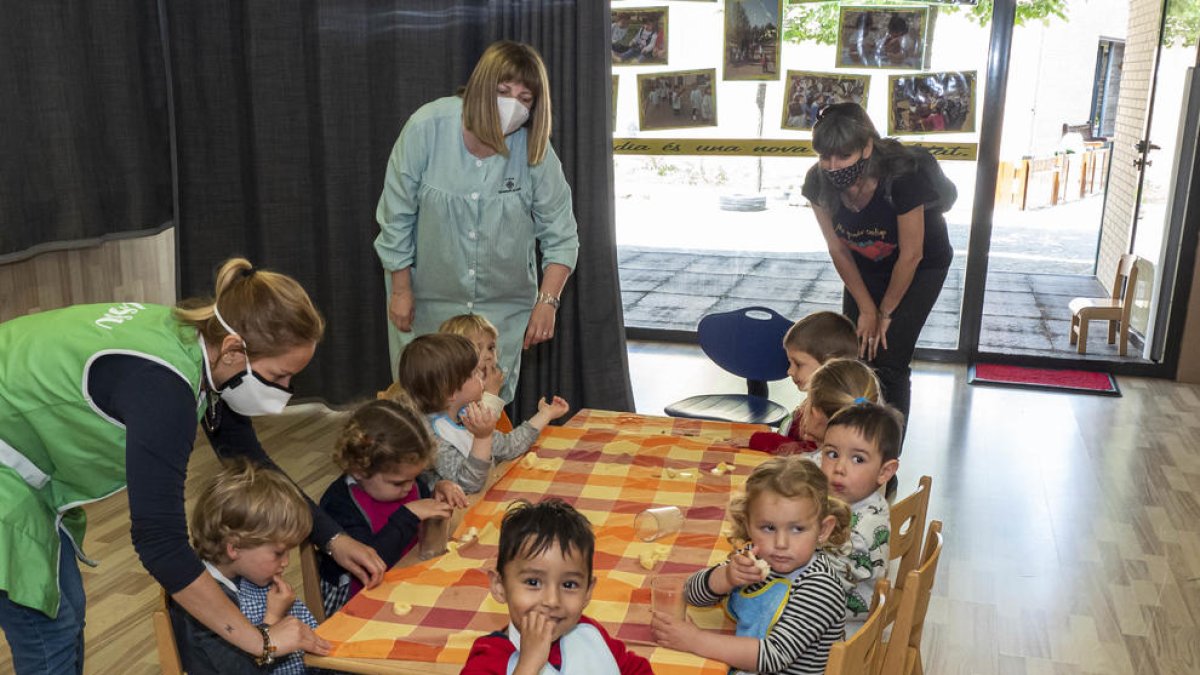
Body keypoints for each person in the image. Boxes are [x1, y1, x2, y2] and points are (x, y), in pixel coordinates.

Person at [0, 258, 385, 673]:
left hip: (18, 448)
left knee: (65, 610)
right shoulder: (165, 391)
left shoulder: (199, 343)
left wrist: (332, 536)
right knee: (48, 630)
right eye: (280, 375)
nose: (285, 391)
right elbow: (159, 543)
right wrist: (262, 640)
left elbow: (247, 455)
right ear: (237, 349)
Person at [376, 40, 580, 404]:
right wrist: (401, 290)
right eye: (503, 91)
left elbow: (561, 233)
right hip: (427, 306)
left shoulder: (534, 147)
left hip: (503, 311)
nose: (512, 105)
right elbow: (396, 217)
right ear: (480, 88)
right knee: (425, 408)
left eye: (525, 98)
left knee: (487, 411)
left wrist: (547, 301)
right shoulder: (427, 128)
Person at [802, 102, 953, 426]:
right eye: (825, 156)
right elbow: (837, 249)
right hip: (865, 264)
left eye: (843, 156)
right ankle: (848, 444)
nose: (832, 165)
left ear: (867, 147)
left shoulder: (902, 177)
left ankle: (885, 464)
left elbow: (912, 254)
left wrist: (884, 313)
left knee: (888, 360)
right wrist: (866, 309)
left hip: (922, 266)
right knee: (852, 353)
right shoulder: (818, 182)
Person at [651, 456, 850, 674]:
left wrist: (695, 640)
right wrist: (726, 577)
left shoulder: (820, 587)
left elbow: (773, 656)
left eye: (797, 529)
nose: (781, 544)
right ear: (748, 524)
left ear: (823, 530)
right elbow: (690, 593)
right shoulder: (756, 559)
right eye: (768, 528)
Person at [462, 499, 653, 674]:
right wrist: (528, 665)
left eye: (569, 585)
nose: (552, 601)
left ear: (587, 591)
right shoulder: (487, 661)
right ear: (499, 586)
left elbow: (636, 670)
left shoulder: (589, 634)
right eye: (533, 582)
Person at [317, 397, 467, 616]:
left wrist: (437, 491)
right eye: (399, 483)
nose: (409, 487)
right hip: (359, 604)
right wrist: (409, 514)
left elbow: (422, 506)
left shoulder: (405, 480)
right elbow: (370, 564)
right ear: (359, 470)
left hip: (409, 585)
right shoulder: (340, 504)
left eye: (414, 478)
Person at [168, 459, 319, 674]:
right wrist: (272, 619)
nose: (286, 562)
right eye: (278, 553)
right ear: (234, 548)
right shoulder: (205, 609)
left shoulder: (237, 573)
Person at [395, 334, 569, 493]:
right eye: (473, 373)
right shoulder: (431, 436)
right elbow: (468, 485)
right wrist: (482, 438)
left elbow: (508, 447)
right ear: (450, 392)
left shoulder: (467, 414)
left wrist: (545, 414)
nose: (481, 375)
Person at [817, 402, 902, 637]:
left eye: (858, 459)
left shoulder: (862, 530)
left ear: (885, 472)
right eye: (832, 454)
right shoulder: (857, 499)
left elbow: (822, 585)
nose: (839, 468)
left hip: (841, 635)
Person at [749, 312, 859, 455]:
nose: (789, 371)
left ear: (830, 364)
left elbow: (808, 453)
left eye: (798, 364)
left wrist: (758, 441)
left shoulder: (829, 413)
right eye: (790, 363)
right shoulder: (816, 401)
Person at [439, 313, 512, 432]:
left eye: (491, 348)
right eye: (477, 349)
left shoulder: (486, 387)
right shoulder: (455, 395)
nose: (489, 356)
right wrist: (492, 394)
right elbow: (475, 436)